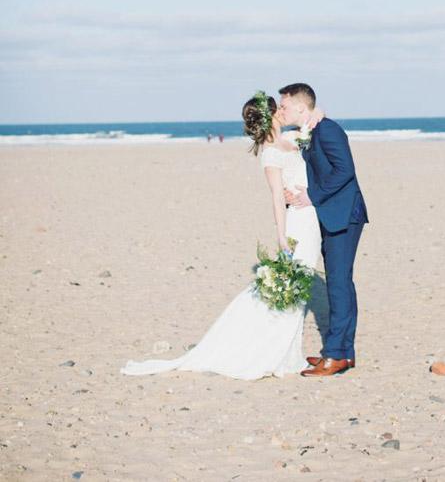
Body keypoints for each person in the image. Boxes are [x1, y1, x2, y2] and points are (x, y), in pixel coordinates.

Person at [121, 92, 321, 381]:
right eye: (277, 108)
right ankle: (272, 351)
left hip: (310, 216)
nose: (282, 111)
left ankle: (287, 350)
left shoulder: (291, 139)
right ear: (270, 116)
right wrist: (281, 236)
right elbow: (277, 197)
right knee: (294, 284)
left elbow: (313, 120)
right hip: (296, 224)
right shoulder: (270, 153)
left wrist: (318, 112)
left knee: (300, 282)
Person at [279, 83, 368, 377]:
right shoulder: (310, 129)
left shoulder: (327, 129)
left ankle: (335, 355)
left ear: (301, 107)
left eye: (285, 106)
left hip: (343, 214)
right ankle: (345, 352)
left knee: (338, 283)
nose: (281, 110)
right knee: (342, 283)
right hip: (332, 213)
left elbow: (345, 170)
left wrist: (312, 197)